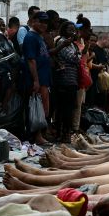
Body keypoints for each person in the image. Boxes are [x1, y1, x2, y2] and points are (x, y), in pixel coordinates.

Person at [22, 11, 52, 145]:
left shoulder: (39, 36)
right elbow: (31, 60)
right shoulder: (30, 37)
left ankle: (40, 135)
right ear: (33, 21)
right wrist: (35, 80)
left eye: (46, 22)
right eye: (41, 21)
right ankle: (36, 137)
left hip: (44, 79)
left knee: (43, 108)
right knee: (37, 108)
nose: (43, 25)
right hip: (36, 80)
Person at [53, 21, 81, 142]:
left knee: (69, 108)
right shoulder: (62, 42)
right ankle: (61, 133)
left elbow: (77, 58)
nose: (72, 32)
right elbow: (73, 58)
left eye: (73, 30)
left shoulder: (73, 45)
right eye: (70, 30)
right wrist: (77, 56)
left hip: (72, 80)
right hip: (64, 80)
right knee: (63, 109)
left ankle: (66, 133)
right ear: (64, 30)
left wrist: (77, 56)